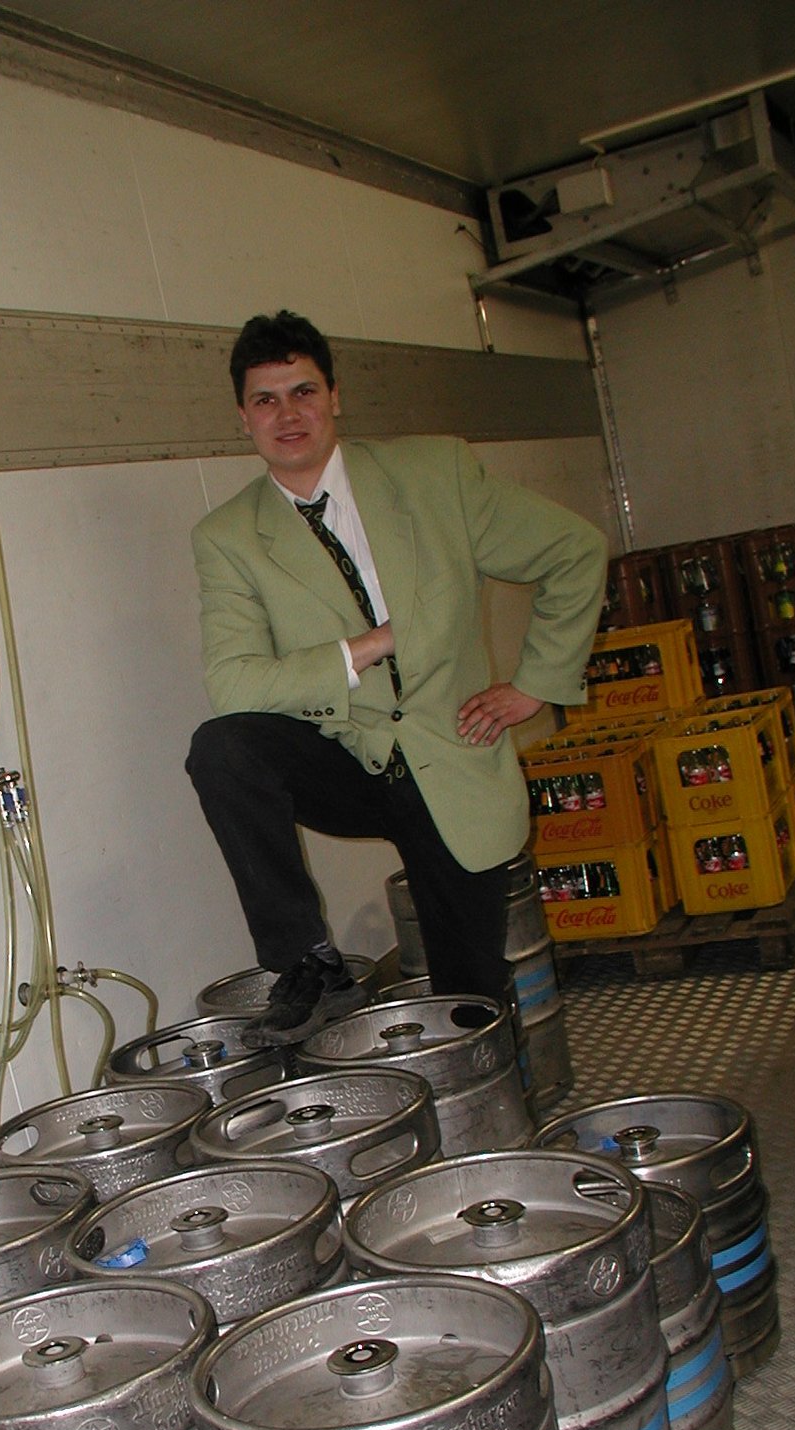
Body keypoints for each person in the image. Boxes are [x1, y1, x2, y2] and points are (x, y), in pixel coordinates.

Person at [186, 309, 607, 1045]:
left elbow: (574, 552)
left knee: (469, 1000)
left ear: (335, 396)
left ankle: (490, 1099)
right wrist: (369, 646)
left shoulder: (435, 473)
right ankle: (307, 962)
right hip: (346, 757)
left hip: (454, 750)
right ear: (243, 418)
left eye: (303, 391)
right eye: (265, 400)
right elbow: (235, 685)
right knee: (222, 749)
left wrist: (534, 685)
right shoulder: (227, 537)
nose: (288, 415)